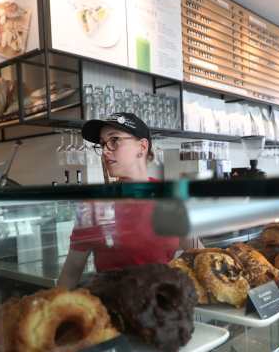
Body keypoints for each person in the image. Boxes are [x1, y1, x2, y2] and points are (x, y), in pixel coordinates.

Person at [58, 113, 197, 288]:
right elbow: (71, 272)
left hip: (163, 306)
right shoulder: (95, 205)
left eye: (114, 140)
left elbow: (197, 253)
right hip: (113, 308)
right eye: (102, 144)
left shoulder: (170, 197)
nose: (105, 151)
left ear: (142, 147)